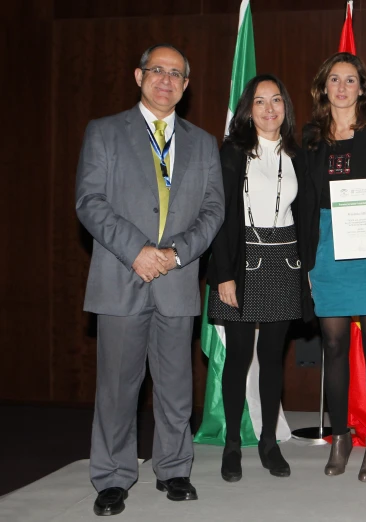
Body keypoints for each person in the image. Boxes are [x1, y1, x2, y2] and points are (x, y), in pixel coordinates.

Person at [75, 44, 224, 516]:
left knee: (177, 386)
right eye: (157, 70)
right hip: (122, 274)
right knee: (118, 388)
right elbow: (90, 202)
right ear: (139, 76)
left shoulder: (202, 142)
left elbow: (214, 209)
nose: (166, 79)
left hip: (177, 281)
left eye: (176, 73)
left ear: (186, 85)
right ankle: (113, 477)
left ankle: (174, 469)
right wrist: (138, 251)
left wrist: (176, 254)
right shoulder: (104, 133)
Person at [298, 52, 366, 482]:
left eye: (350, 80)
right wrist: (306, 259)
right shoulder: (310, 136)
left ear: (363, 88)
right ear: (323, 87)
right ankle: (341, 437)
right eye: (334, 80)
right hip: (327, 248)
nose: (342, 87)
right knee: (334, 347)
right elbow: (306, 201)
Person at [205, 74, 308, 482]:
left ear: (286, 107)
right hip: (242, 262)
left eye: (277, 100)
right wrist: (224, 275)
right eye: (260, 101)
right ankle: (233, 443)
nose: (269, 109)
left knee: (272, 360)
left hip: (284, 260)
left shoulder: (297, 154)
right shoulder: (232, 152)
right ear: (248, 109)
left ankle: (268, 441)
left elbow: (305, 215)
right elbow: (221, 216)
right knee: (238, 358)